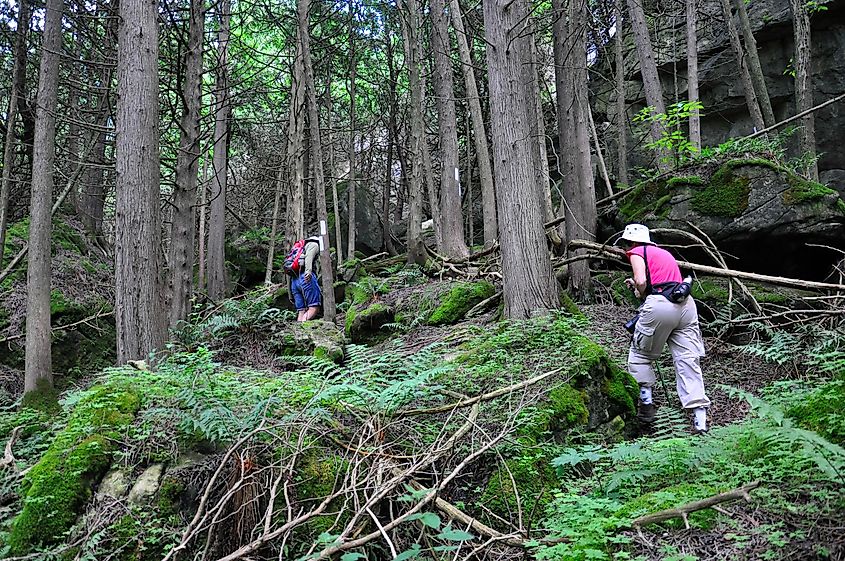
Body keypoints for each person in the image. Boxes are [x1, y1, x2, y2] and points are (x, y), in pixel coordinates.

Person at [619, 223, 711, 433]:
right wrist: (639, 287)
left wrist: (638, 288)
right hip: (686, 306)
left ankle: (646, 408)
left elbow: (642, 281)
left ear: (630, 242)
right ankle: (700, 422)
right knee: (688, 360)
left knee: (641, 355)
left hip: (661, 305)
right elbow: (663, 280)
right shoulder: (664, 253)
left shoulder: (636, 252)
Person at [288, 236, 322, 322]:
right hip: (306, 279)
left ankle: (298, 332)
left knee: (301, 310)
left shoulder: (300, 248)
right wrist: (308, 272)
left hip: (294, 281)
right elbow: (309, 257)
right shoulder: (314, 245)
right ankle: (304, 328)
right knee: (314, 308)